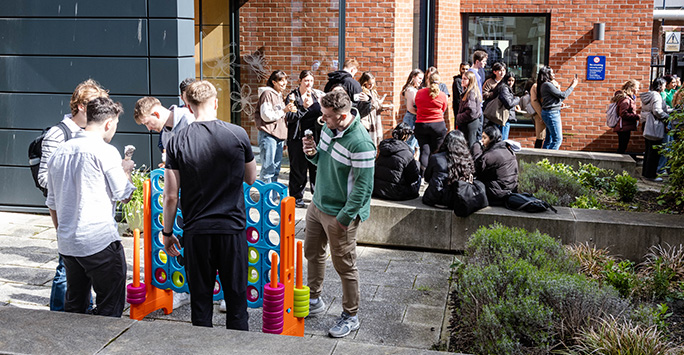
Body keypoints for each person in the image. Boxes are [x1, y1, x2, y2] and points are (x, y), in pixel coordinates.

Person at [162, 80, 257, 329]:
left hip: (197, 232)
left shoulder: (176, 140)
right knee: (237, 303)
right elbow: (251, 178)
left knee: (201, 304)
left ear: (189, 106)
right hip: (232, 230)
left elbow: (171, 196)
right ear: (215, 102)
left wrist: (168, 232)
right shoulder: (238, 134)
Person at [46, 97, 135, 317]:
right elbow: (124, 195)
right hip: (99, 241)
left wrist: (62, 233)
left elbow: (52, 204)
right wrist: (126, 171)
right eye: (115, 125)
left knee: (74, 308)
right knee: (110, 308)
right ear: (108, 123)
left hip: (68, 244)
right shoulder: (105, 151)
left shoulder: (59, 152)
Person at [301, 90, 375, 338]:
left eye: (326, 116)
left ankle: (351, 316)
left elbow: (364, 188)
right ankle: (314, 299)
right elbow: (321, 162)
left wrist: (344, 218)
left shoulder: (361, 142)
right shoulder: (328, 129)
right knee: (312, 253)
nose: (322, 119)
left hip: (340, 214)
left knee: (345, 266)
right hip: (317, 205)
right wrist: (311, 153)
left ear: (342, 116)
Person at [39, 79, 108, 312]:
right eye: (94, 104)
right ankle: (60, 317)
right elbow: (44, 178)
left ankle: (81, 312)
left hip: (89, 216)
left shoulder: (92, 133)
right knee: (64, 271)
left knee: (80, 272)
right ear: (80, 106)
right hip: (69, 214)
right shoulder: (57, 135)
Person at [285, 70, 324, 208]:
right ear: (300, 81)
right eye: (306, 80)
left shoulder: (317, 95)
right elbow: (290, 118)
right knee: (298, 168)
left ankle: (316, 195)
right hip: (297, 138)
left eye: (311, 81)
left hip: (314, 137)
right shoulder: (292, 97)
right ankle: (296, 197)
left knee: (315, 167)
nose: (309, 83)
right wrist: (304, 107)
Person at [255, 70, 297, 184]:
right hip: (268, 135)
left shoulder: (279, 95)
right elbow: (266, 116)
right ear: (273, 82)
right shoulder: (268, 94)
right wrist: (284, 110)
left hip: (278, 137)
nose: (284, 83)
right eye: (280, 81)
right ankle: (265, 199)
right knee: (268, 170)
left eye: (285, 80)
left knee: (276, 170)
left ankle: (272, 198)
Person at [422, 130, 476, 208]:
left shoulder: (436, 157)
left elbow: (427, 177)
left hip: (435, 198)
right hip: (457, 198)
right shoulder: (467, 159)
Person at [471, 125, 519, 205]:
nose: (482, 141)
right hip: (510, 190)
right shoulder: (506, 149)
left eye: (484, 138)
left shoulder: (492, 155)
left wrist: (476, 147)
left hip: (500, 193)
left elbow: (476, 168)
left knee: (473, 184)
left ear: (492, 139)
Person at [373, 123, 421, 201]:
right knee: (418, 178)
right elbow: (413, 178)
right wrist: (415, 162)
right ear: (407, 136)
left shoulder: (383, 148)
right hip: (396, 193)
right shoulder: (407, 154)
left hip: (378, 190)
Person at [414, 73, 448, 176]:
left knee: (424, 151)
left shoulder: (419, 92)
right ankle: (435, 173)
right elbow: (444, 109)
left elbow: (417, 105)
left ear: (428, 80)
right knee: (436, 151)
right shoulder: (442, 95)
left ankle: (423, 175)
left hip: (422, 124)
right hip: (437, 125)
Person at [537, 66, 578, 150]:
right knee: (558, 140)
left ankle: (544, 159)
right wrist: (573, 86)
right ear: (547, 74)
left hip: (549, 113)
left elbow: (560, 98)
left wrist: (569, 86)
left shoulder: (545, 85)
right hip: (552, 114)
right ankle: (550, 160)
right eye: (552, 73)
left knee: (549, 139)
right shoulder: (547, 85)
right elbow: (563, 95)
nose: (554, 74)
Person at [640, 77, 671, 182]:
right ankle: (651, 175)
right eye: (664, 85)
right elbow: (657, 111)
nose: (665, 87)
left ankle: (646, 173)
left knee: (649, 150)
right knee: (654, 152)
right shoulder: (656, 96)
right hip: (654, 126)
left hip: (647, 124)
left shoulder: (650, 94)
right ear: (660, 85)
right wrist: (667, 116)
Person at [358, 71, 390, 147]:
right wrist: (376, 104)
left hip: (375, 118)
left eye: (373, 83)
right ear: (364, 83)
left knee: (376, 142)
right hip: (367, 119)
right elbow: (366, 106)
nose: (371, 86)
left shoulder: (373, 91)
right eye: (369, 84)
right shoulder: (362, 92)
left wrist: (382, 108)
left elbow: (375, 106)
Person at [611, 79, 641, 154]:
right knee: (622, 147)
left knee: (622, 146)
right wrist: (637, 116)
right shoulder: (626, 100)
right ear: (632, 88)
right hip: (623, 127)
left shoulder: (629, 98)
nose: (638, 89)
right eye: (637, 87)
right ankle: (618, 162)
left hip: (625, 126)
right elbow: (623, 114)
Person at [456, 71, 483, 148]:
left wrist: (459, 117)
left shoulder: (471, 93)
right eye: (462, 78)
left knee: (470, 146)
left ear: (470, 80)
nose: (462, 80)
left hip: (470, 124)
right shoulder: (468, 92)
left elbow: (472, 112)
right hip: (469, 123)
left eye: (465, 79)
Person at [400, 69, 424, 154]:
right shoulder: (410, 90)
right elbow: (410, 108)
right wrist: (422, 114)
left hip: (414, 118)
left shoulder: (414, 89)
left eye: (422, 79)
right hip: (411, 119)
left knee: (414, 144)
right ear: (413, 77)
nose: (421, 81)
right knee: (410, 144)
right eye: (419, 78)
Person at [490, 73, 520, 140]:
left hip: (503, 117)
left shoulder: (505, 88)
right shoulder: (504, 88)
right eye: (509, 80)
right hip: (503, 118)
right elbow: (508, 104)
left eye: (513, 81)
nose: (511, 83)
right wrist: (517, 99)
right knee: (503, 140)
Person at [469, 50, 488, 141]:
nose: (485, 63)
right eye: (483, 61)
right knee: (477, 133)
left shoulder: (477, 73)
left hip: (478, 105)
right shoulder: (472, 74)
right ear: (477, 62)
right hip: (476, 107)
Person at [525, 79, 546, 148]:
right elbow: (534, 101)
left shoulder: (552, 84)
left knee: (546, 138)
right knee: (540, 137)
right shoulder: (536, 86)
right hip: (540, 114)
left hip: (545, 114)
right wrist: (542, 115)